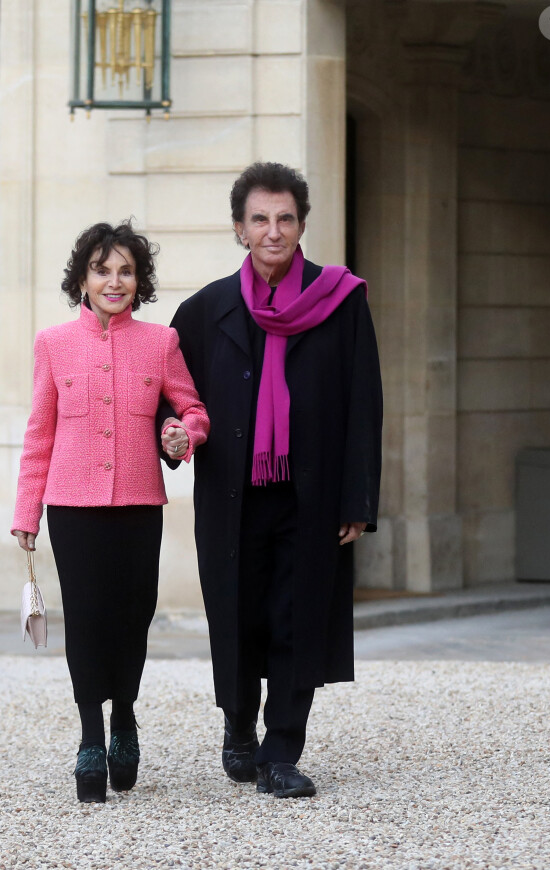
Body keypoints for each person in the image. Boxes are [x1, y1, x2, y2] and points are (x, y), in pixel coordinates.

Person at [160, 162, 382, 798]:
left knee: (298, 617)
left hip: (311, 495)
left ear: (302, 224)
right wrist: (173, 438)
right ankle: (238, 725)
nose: (273, 230)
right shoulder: (203, 311)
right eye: (260, 218)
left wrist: (357, 497)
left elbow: (364, 404)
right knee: (238, 614)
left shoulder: (341, 300)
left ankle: (282, 748)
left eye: (285, 218)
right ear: (239, 228)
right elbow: (173, 402)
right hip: (232, 494)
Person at [11, 221, 210, 804]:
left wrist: (183, 434)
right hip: (71, 506)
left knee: (133, 616)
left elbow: (192, 408)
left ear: (139, 281)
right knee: (88, 620)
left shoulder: (160, 343)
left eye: (126, 270)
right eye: (103, 270)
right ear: (83, 279)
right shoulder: (52, 343)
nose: (114, 281)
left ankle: (125, 714)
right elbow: (38, 432)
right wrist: (27, 511)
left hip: (140, 503)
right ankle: (91, 735)